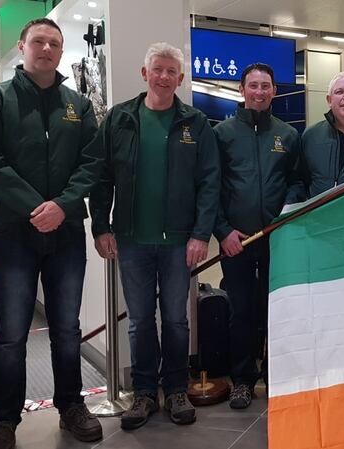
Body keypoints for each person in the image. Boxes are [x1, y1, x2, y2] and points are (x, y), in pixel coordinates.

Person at [0, 17, 103, 449]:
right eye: (39, 41)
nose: (46, 48)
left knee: (67, 326)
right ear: (23, 48)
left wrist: (62, 206)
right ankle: (4, 421)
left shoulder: (78, 106)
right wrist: (35, 207)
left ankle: (71, 406)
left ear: (61, 53)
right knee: (10, 332)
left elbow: (91, 164)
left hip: (66, 233)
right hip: (15, 233)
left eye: (54, 43)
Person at [89, 42, 220, 430]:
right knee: (140, 320)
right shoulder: (119, 120)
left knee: (177, 321)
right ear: (145, 74)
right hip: (132, 240)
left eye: (171, 72)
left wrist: (201, 235)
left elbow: (209, 182)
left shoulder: (195, 123)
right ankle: (144, 392)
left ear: (180, 78)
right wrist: (100, 225)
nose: (164, 77)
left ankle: (176, 389)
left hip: (180, 242)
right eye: (157, 70)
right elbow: (101, 177)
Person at [213, 63, 300, 409]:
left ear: (274, 91)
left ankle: (276, 376)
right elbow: (211, 187)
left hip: (276, 238)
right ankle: (243, 380)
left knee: (275, 309)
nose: (260, 91)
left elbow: (297, 180)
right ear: (242, 89)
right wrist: (222, 231)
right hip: (236, 241)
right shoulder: (222, 134)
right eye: (253, 85)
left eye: (266, 85)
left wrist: (287, 212)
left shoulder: (288, 135)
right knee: (241, 310)